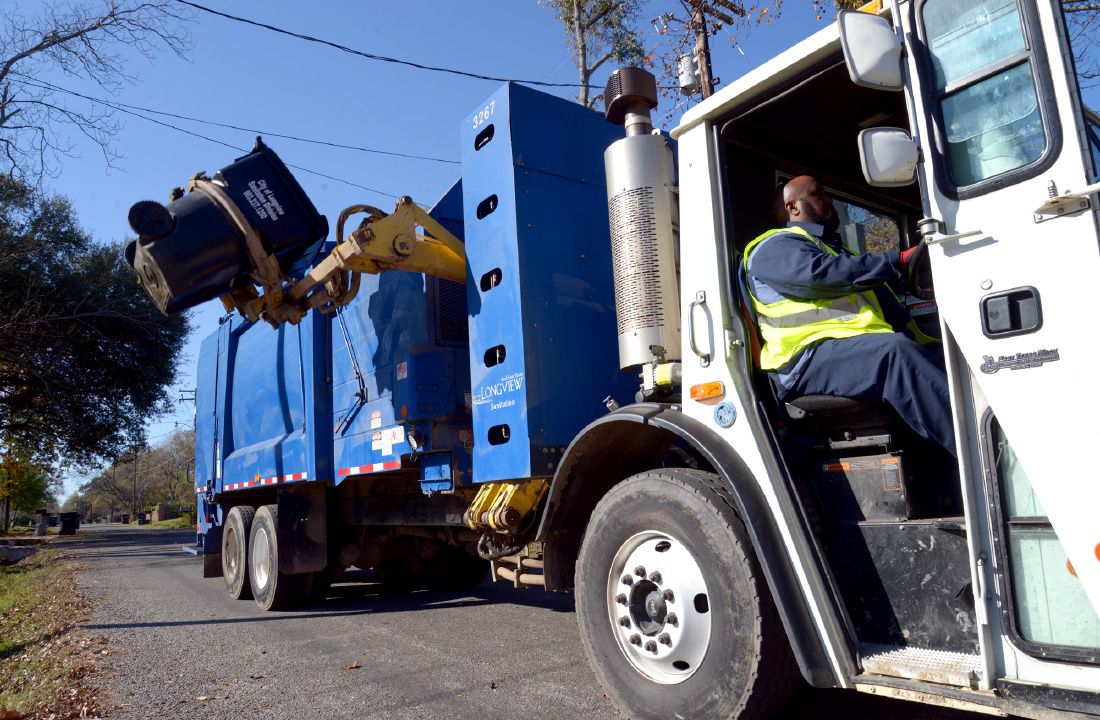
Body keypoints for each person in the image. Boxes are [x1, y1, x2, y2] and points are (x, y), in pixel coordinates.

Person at [743, 175, 956, 457]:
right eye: (818, 195)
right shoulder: (774, 246)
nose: (829, 201)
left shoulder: (831, 249)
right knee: (895, 354)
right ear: (793, 207)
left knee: (949, 352)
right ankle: (974, 452)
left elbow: (870, 286)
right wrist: (897, 260)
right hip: (804, 359)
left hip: (842, 350)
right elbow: (821, 275)